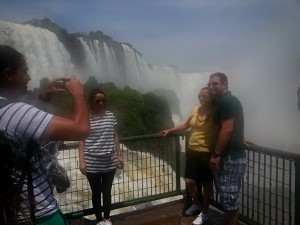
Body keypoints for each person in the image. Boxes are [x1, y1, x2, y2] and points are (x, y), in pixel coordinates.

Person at [0, 45, 90, 225]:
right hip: (39, 215)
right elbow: (81, 128)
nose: (30, 77)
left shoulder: (6, 111)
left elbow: (23, 125)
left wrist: (43, 98)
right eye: (25, 71)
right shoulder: (15, 111)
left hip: (12, 212)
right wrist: (79, 94)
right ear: (9, 74)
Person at [161, 87, 214, 225]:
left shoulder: (215, 111)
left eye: (205, 96)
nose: (201, 98)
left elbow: (223, 127)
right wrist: (171, 130)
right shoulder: (195, 110)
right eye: (200, 96)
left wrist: (240, 137)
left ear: (210, 97)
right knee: (189, 181)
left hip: (206, 152)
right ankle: (196, 203)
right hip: (192, 150)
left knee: (206, 184)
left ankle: (205, 212)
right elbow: (185, 125)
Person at [79, 89, 123, 225]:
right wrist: (81, 161)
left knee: (107, 191)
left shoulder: (110, 116)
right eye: (98, 101)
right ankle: (99, 220)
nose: (101, 103)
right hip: (92, 162)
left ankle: (107, 218)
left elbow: (115, 136)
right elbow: (81, 141)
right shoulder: (86, 118)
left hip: (109, 161)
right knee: (96, 193)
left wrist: (119, 155)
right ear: (92, 101)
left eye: (103, 100)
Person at [208, 72, 247, 225]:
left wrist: (216, 154)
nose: (212, 86)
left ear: (225, 85)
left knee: (230, 200)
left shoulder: (226, 102)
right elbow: (232, 128)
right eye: (210, 84)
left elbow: (227, 129)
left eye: (215, 84)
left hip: (229, 158)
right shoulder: (226, 101)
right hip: (231, 157)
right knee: (229, 199)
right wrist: (241, 137)